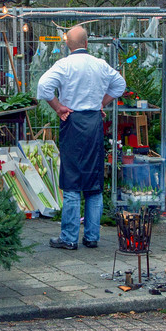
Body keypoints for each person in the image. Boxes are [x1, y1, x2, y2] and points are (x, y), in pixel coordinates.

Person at [36, 25, 126, 250]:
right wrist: (101, 104)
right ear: (87, 44)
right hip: (94, 124)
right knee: (94, 183)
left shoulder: (64, 65)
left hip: (73, 123)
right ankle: (92, 237)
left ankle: (69, 238)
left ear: (68, 44)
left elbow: (43, 87)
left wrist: (58, 107)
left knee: (73, 182)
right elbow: (120, 85)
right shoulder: (100, 65)